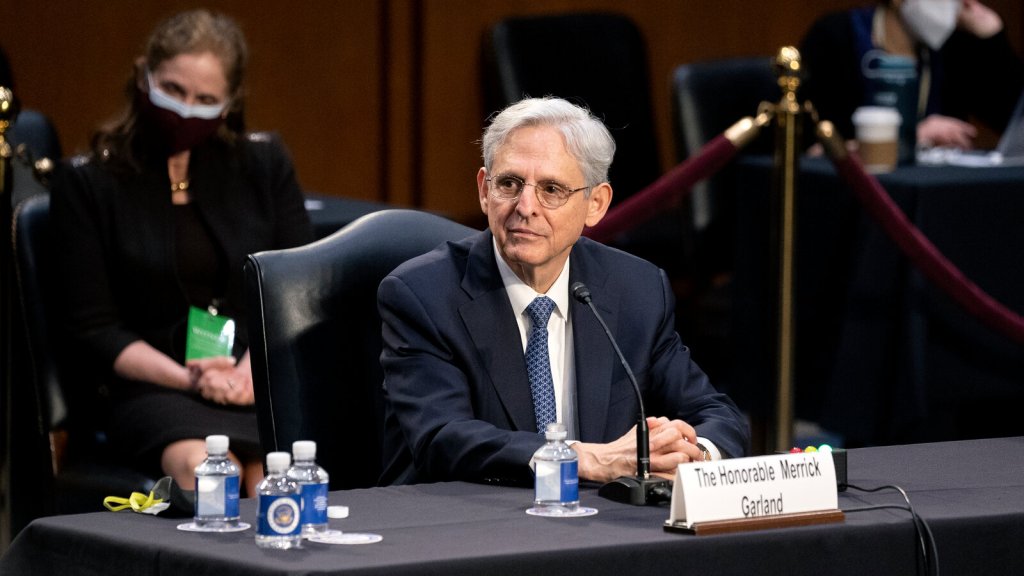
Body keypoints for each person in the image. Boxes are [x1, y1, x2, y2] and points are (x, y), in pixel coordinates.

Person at [377, 96, 749, 486]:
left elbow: (717, 415)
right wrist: (582, 459)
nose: (525, 206)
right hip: (462, 515)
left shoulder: (636, 289)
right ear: (485, 190)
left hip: (597, 517)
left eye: (551, 189)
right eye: (509, 184)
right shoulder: (422, 295)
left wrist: (691, 455)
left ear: (596, 204)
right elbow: (442, 438)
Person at [50, 9, 313, 495]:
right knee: (214, 472)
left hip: (252, 380)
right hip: (149, 386)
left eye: (205, 100)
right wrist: (189, 379)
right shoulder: (88, 182)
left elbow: (297, 289)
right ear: (143, 77)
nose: (186, 110)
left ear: (230, 102)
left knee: (274, 479)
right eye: (173, 90)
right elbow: (94, 327)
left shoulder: (262, 164)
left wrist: (248, 374)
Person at [800, 0, 1024, 150]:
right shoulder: (836, 36)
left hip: (935, 194)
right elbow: (811, 150)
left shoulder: (953, 48)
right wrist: (915, 136)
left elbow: (1015, 124)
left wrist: (993, 37)